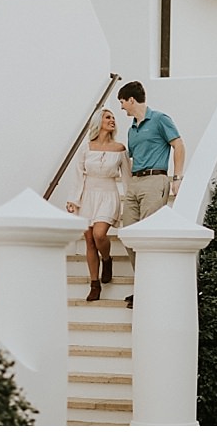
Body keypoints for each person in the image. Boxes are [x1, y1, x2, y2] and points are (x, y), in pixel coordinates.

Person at [118, 80, 186, 309]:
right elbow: (130, 158)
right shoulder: (131, 130)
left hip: (156, 180)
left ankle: (148, 290)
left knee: (148, 235)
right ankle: (145, 285)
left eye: (122, 102)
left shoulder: (160, 119)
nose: (122, 108)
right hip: (135, 183)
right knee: (127, 234)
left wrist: (177, 178)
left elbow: (178, 146)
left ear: (131, 99)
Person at [66, 108, 131, 302]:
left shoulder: (120, 149)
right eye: (108, 117)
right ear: (98, 121)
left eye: (113, 118)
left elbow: (127, 178)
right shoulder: (86, 147)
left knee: (99, 234)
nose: (112, 120)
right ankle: (94, 284)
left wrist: (130, 200)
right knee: (88, 239)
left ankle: (107, 259)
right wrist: (73, 200)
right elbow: (78, 174)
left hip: (109, 194)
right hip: (87, 195)